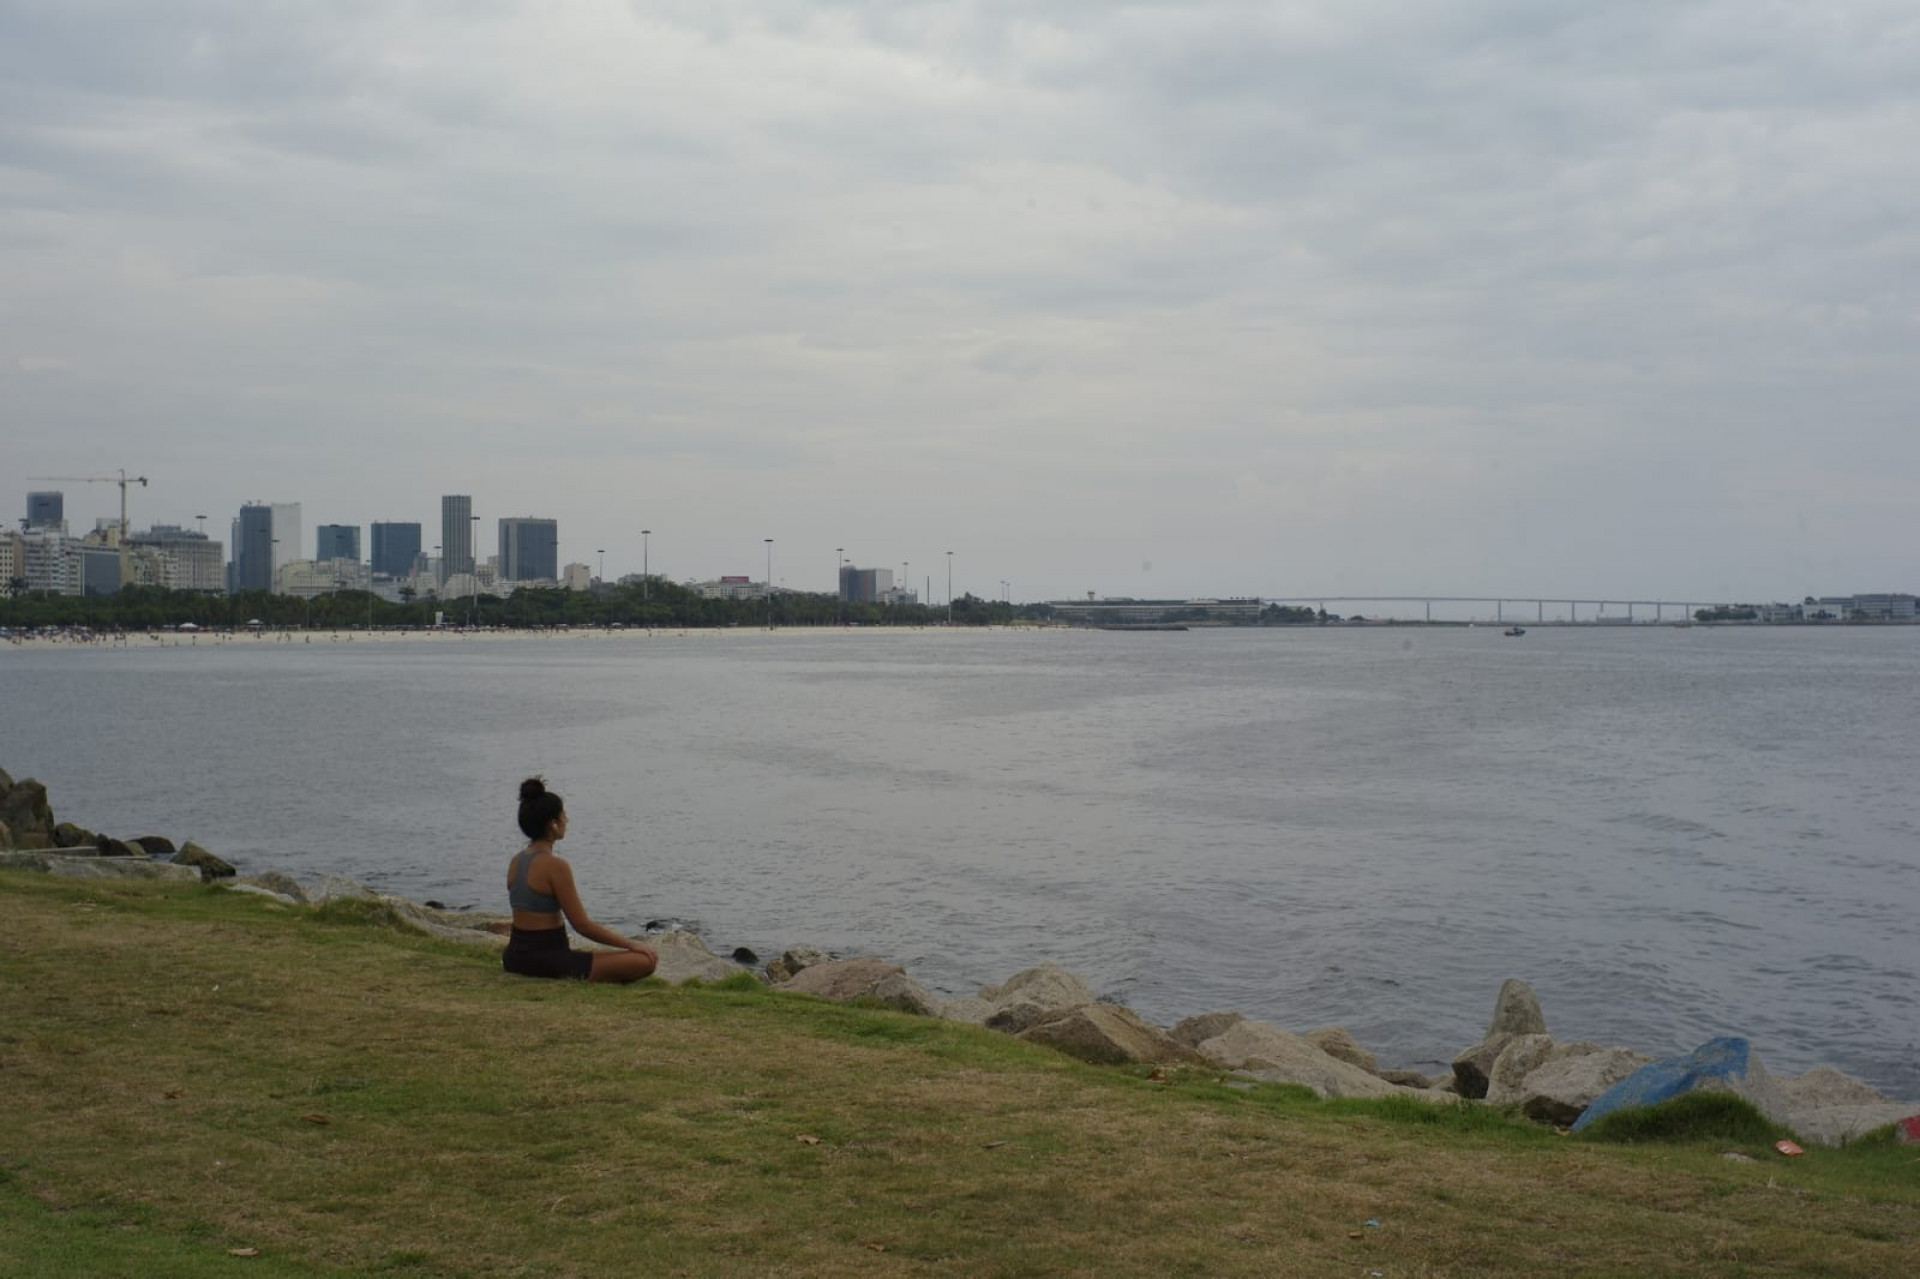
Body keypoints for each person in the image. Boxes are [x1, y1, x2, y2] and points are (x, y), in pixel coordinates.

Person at [502, 778, 657, 983]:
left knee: (614, 958)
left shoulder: (516, 861)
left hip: (513, 958)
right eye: (563, 816)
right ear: (553, 825)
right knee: (644, 961)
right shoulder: (556, 866)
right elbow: (582, 926)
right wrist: (632, 944)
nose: (567, 820)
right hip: (548, 962)